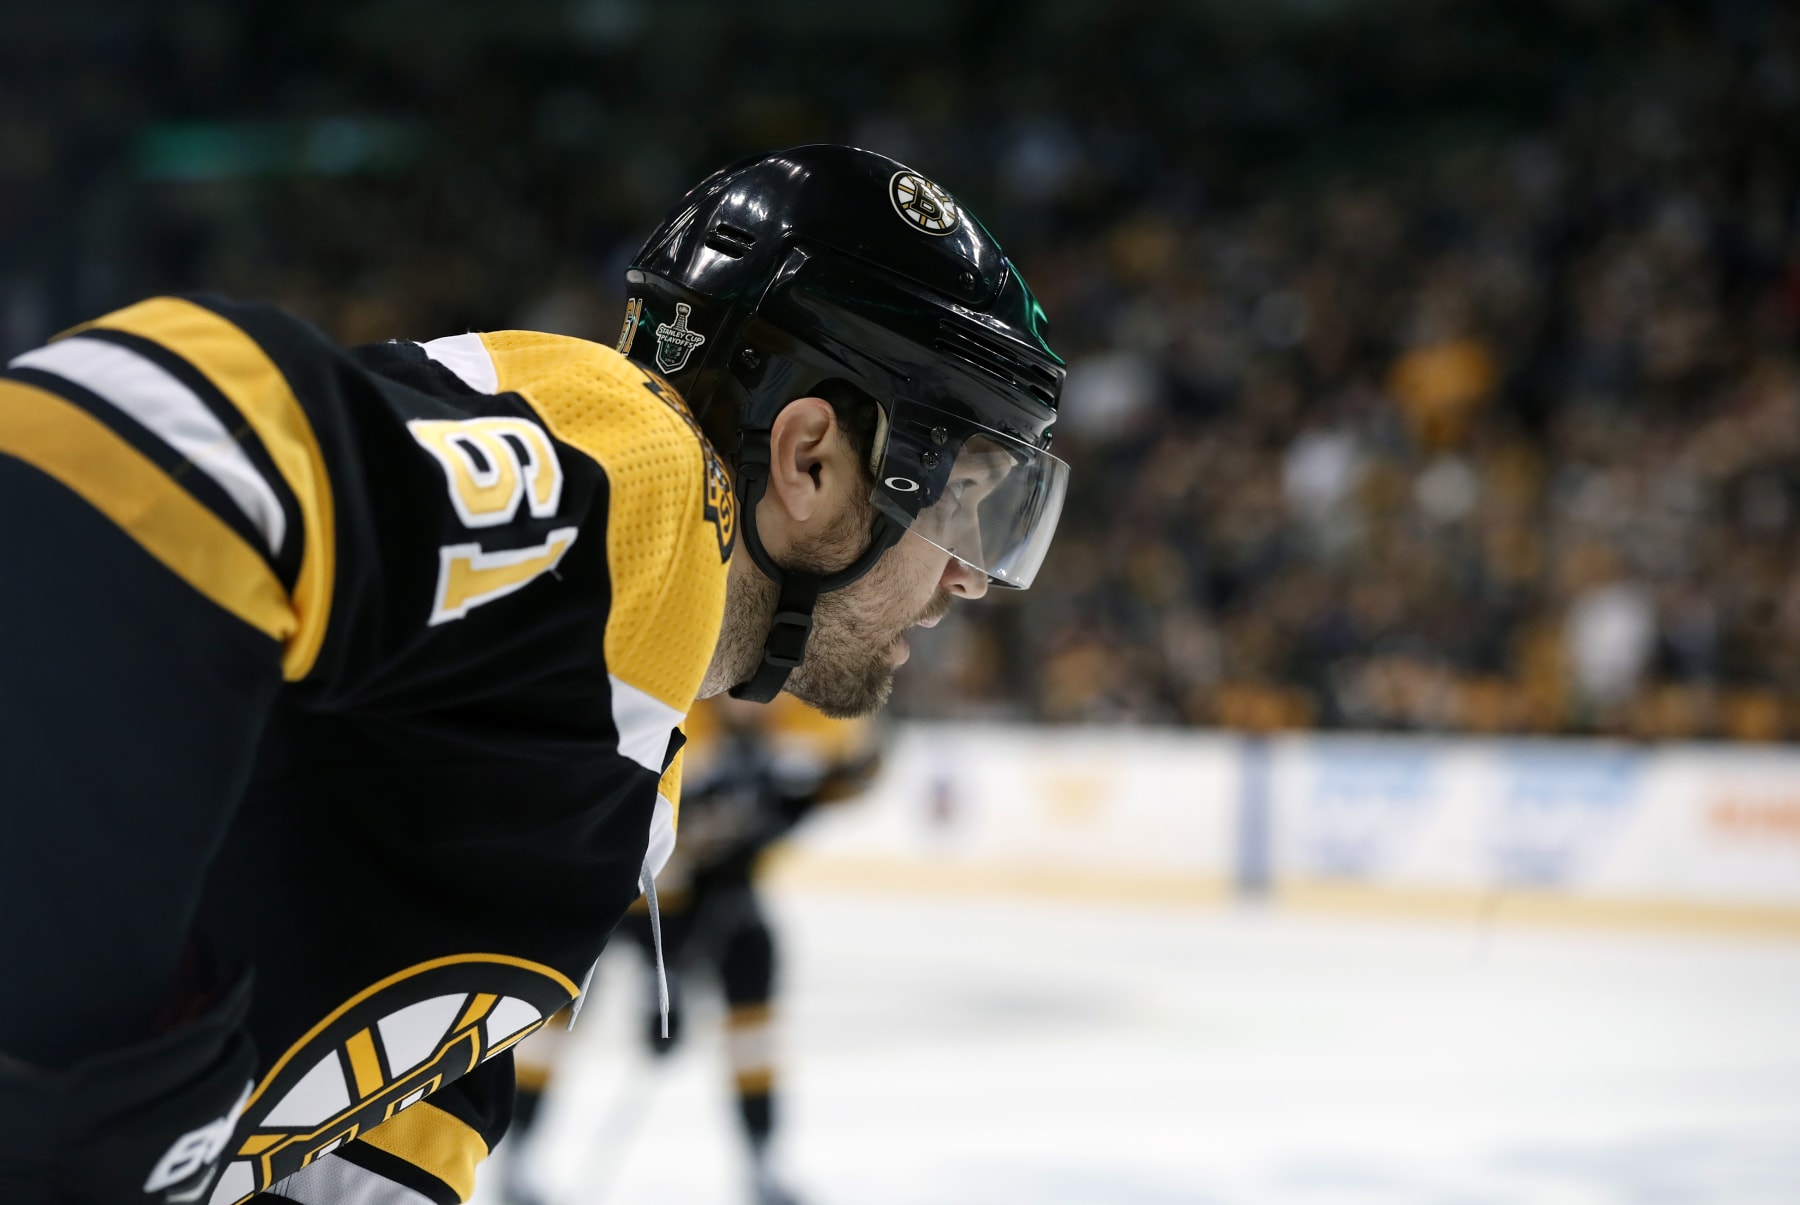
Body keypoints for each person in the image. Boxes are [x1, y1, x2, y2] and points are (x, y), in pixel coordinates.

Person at [0, 144, 1067, 1205]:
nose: (971, 576)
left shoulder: (625, 751)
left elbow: (364, 1146)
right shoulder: (645, 494)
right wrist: (67, 1077)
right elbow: (114, 438)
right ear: (811, 460)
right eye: (964, 497)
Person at [503, 695, 881, 1205]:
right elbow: (642, 834)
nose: (751, 704)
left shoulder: (804, 720)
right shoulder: (683, 726)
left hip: (721, 892)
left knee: (753, 973)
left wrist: (804, 805)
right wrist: (668, 980)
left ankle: (764, 1160)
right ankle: (518, 1151)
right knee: (562, 1003)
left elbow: (857, 768)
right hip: (634, 892)